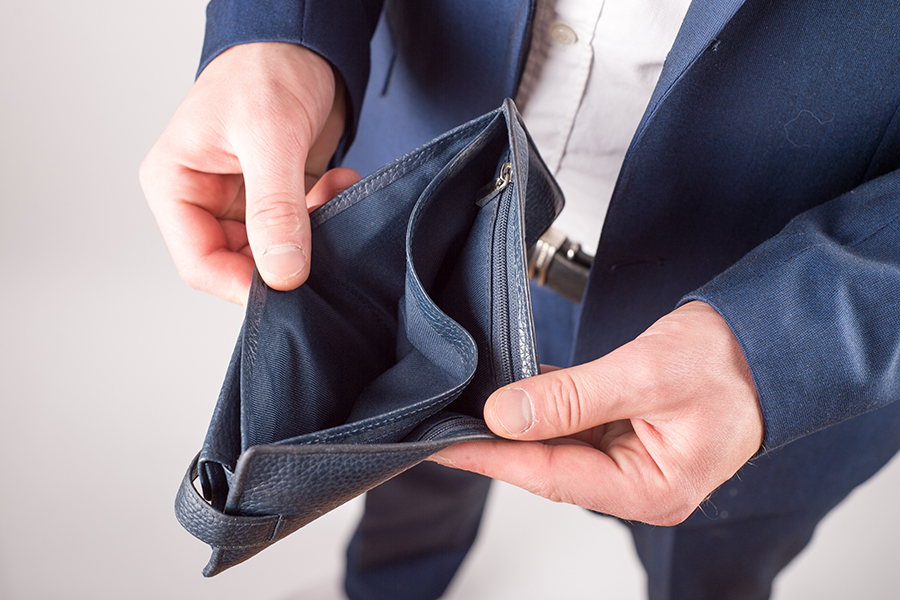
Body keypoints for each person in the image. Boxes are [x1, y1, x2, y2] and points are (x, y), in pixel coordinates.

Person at [140, 1, 900, 598]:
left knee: (711, 567)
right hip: (416, 253)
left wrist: (774, 350)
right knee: (401, 498)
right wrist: (280, 31)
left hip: (767, 313)